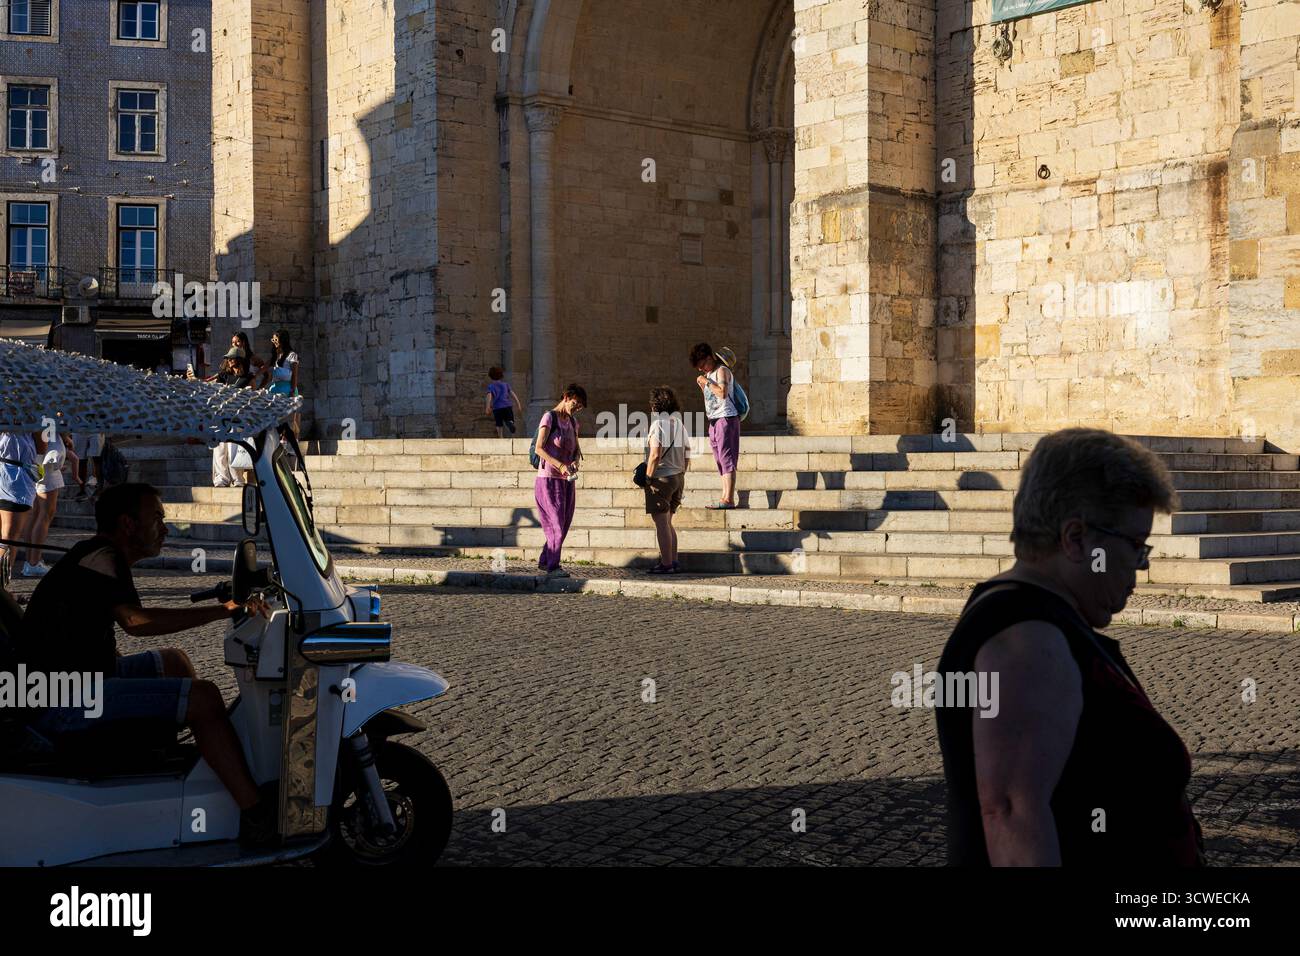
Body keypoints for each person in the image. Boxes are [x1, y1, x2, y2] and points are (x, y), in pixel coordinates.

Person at [935, 428, 1204, 867]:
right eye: (1135, 545)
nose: (1143, 563)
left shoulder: (1039, 619)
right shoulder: (1026, 640)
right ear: (1076, 539)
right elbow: (1011, 816)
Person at [16, 483, 277, 843]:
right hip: (61, 702)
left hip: (77, 682)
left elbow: (84, 633)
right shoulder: (102, 557)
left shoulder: (98, 555)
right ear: (127, 523)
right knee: (203, 698)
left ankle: (172, 764)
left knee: (174, 661)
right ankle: (256, 815)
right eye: (156, 518)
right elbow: (136, 622)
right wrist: (222, 610)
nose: (165, 528)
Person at [533, 384, 586, 578]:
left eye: (580, 406)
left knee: (563, 523)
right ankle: (553, 567)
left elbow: (576, 450)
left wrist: (574, 462)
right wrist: (560, 465)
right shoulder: (549, 418)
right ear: (566, 397)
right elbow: (539, 448)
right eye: (575, 403)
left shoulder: (573, 423)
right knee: (555, 522)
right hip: (548, 480)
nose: (577, 407)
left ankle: (545, 560)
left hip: (567, 481)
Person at [643, 386, 689, 573]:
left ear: (655, 405)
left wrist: (647, 477)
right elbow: (687, 452)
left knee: (661, 523)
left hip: (662, 478)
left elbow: (655, 454)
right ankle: (674, 561)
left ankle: (666, 564)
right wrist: (681, 472)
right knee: (668, 522)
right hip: (678, 476)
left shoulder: (658, 425)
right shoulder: (679, 424)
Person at [691, 342, 740, 510]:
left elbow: (723, 393)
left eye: (702, 364)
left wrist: (706, 381)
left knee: (727, 458)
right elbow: (711, 398)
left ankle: (729, 498)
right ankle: (725, 496)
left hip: (726, 418)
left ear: (709, 358)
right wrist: (703, 385)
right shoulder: (710, 373)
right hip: (713, 420)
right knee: (720, 460)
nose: (700, 369)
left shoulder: (722, 371)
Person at [23, 430, 78, 577]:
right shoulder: (49, 413)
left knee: (35, 514)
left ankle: (30, 561)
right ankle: (33, 562)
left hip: (37, 462)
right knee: (45, 514)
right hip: (46, 464)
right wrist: (66, 436)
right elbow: (52, 428)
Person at [0, 430, 40, 588]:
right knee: (9, 539)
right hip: (16, 481)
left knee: (6, 538)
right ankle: (2, 591)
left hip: (7, 473)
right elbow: (42, 447)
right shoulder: (32, 413)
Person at [208, 350, 254, 487]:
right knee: (220, 449)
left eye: (232, 358)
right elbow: (214, 389)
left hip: (238, 416)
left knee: (234, 448)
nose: (229, 360)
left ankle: (238, 479)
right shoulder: (224, 375)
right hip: (221, 414)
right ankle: (222, 478)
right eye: (228, 358)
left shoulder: (248, 377)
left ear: (239, 359)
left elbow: (251, 397)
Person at [268, 330, 301, 439]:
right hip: (275, 389)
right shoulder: (276, 355)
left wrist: (292, 390)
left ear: (282, 340)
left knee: (289, 418)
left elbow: (295, 374)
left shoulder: (292, 355)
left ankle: (290, 443)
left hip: (287, 389)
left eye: (276, 340)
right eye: (273, 340)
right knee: (275, 419)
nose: (274, 342)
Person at [485, 366, 522, 438]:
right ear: (501, 376)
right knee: (509, 418)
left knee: (499, 423)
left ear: (490, 376)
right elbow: (512, 394)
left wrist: (488, 407)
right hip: (507, 406)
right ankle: (510, 423)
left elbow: (489, 396)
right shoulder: (506, 385)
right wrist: (518, 404)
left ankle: (500, 436)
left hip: (497, 408)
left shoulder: (491, 386)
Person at [73, 431, 105, 502]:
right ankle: (82, 490)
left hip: (96, 427)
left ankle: (99, 490)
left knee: (97, 460)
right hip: (78, 429)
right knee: (80, 461)